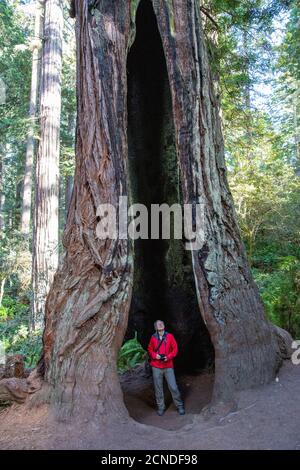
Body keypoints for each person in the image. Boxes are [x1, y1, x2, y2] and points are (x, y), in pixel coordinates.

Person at [147, 320, 185, 416]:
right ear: (155, 327)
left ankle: (179, 405)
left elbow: (175, 349)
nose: (160, 324)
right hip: (156, 366)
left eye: (161, 323)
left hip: (168, 366)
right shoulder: (153, 338)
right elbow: (150, 349)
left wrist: (168, 357)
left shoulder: (170, 336)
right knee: (158, 388)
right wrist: (156, 356)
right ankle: (161, 407)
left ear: (164, 325)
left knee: (173, 386)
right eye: (158, 324)